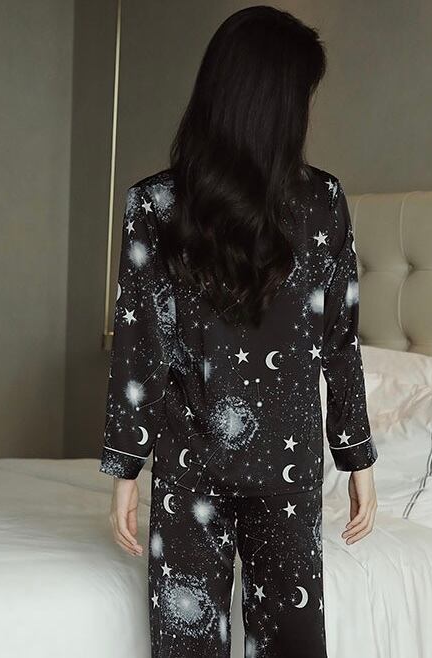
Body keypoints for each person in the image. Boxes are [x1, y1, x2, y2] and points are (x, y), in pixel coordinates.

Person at [99, 6, 378, 657]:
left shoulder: (159, 205)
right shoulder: (317, 203)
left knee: (195, 643)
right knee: (274, 644)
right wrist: (355, 459)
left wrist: (126, 466)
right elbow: (340, 341)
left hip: (210, 467)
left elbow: (141, 347)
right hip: (261, 467)